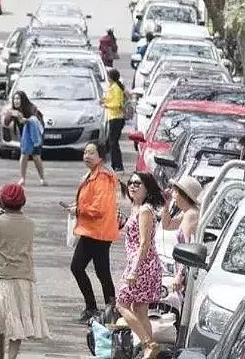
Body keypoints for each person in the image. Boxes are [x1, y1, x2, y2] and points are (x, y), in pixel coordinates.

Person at [0, 183, 50, 359]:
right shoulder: (30, 224)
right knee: (18, 320)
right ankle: (12, 357)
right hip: (23, 275)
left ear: (2, 202)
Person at [67, 140, 119, 323]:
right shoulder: (92, 174)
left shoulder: (103, 177)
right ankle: (106, 309)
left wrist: (79, 210)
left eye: (91, 153)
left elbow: (99, 208)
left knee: (83, 268)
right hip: (92, 230)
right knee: (99, 270)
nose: (86, 156)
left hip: (98, 232)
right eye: (85, 152)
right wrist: (78, 206)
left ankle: (100, 308)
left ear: (101, 157)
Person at [117, 172, 164, 359]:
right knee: (140, 310)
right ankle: (149, 352)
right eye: (131, 183)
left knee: (121, 303)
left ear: (147, 188)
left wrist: (134, 270)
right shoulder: (136, 208)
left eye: (138, 183)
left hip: (142, 266)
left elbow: (144, 243)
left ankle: (148, 343)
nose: (133, 186)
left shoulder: (145, 210)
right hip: (143, 264)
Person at [160, 175, 201, 294]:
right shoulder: (186, 213)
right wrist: (166, 205)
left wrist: (179, 275)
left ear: (185, 195)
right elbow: (166, 225)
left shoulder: (191, 215)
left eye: (176, 192)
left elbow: (188, 248)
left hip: (186, 271)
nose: (173, 195)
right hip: (182, 268)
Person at [2, 91, 46, 187]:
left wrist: (22, 118)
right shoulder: (13, 110)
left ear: (23, 99)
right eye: (15, 99)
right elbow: (6, 123)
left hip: (35, 134)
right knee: (24, 154)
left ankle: (42, 178)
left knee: (36, 155)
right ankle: (22, 178)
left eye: (18, 99)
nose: (16, 101)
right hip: (25, 135)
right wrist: (8, 115)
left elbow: (34, 120)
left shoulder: (31, 108)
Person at [104, 68, 126, 173]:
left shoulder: (115, 88)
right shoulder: (112, 87)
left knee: (113, 142)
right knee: (112, 142)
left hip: (116, 118)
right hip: (113, 117)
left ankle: (117, 165)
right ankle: (115, 164)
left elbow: (117, 104)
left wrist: (106, 105)